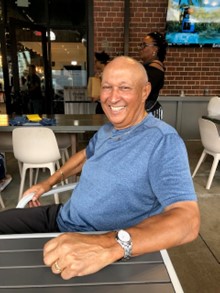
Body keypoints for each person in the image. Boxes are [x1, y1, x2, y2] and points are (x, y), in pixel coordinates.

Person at [0, 56, 200, 280]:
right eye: (107, 87)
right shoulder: (107, 130)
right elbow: (84, 156)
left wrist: (108, 245)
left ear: (145, 91)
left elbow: (187, 220)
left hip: (96, 237)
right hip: (61, 217)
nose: (113, 97)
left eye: (124, 87)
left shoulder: (163, 141)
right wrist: (47, 183)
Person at [139, 31, 168, 119]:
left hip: (149, 116)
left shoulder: (154, 71)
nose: (141, 48)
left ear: (155, 49)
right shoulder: (149, 68)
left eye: (144, 45)